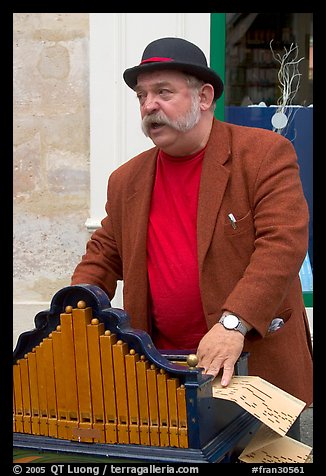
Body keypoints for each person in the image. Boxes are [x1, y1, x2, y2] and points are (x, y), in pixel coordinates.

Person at [71, 37, 313, 418]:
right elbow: (103, 253)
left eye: (163, 92)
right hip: (164, 371)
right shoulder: (126, 180)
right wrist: (72, 312)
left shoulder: (264, 153)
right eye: (142, 95)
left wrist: (233, 324)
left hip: (254, 368)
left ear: (203, 97)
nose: (149, 105)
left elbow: (282, 244)